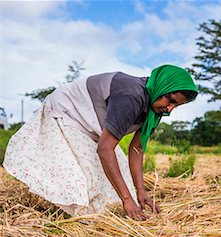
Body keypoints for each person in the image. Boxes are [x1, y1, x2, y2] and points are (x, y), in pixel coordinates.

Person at [4, 65, 198, 220]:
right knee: (85, 180)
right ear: (162, 87)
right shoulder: (131, 96)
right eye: (170, 100)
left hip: (93, 126)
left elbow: (137, 148)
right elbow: (105, 149)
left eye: (176, 106)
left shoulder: (156, 108)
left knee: (117, 188)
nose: (169, 109)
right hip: (68, 112)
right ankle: (70, 220)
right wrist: (127, 200)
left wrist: (140, 192)